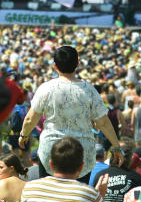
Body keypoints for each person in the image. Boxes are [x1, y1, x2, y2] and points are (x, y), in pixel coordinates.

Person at [17, 45, 119, 180]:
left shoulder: (46, 88)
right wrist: (116, 146)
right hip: (82, 152)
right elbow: (103, 122)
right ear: (77, 64)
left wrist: (24, 135)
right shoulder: (89, 90)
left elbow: (31, 119)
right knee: (77, 196)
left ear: (55, 66)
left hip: (51, 149)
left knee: (50, 193)